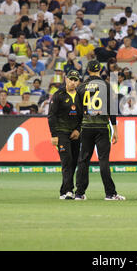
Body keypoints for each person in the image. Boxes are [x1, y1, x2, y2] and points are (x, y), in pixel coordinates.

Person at [75, 60, 124, 200]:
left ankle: (79, 193)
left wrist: (78, 127)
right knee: (103, 160)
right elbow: (112, 110)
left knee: (83, 160)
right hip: (102, 127)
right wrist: (115, 129)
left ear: (88, 70)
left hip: (86, 126)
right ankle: (110, 193)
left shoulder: (81, 87)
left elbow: (78, 111)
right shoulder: (107, 86)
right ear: (100, 70)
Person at [48, 70, 82, 200]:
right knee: (67, 161)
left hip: (75, 134)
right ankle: (68, 191)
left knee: (74, 161)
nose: (73, 82)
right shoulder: (58, 95)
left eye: (75, 80)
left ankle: (64, 190)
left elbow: (83, 115)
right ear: (65, 79)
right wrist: (54, 135)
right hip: (61, 132)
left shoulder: (80, 95)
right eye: (71, 79)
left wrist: (78, 130)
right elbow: (51, 116)